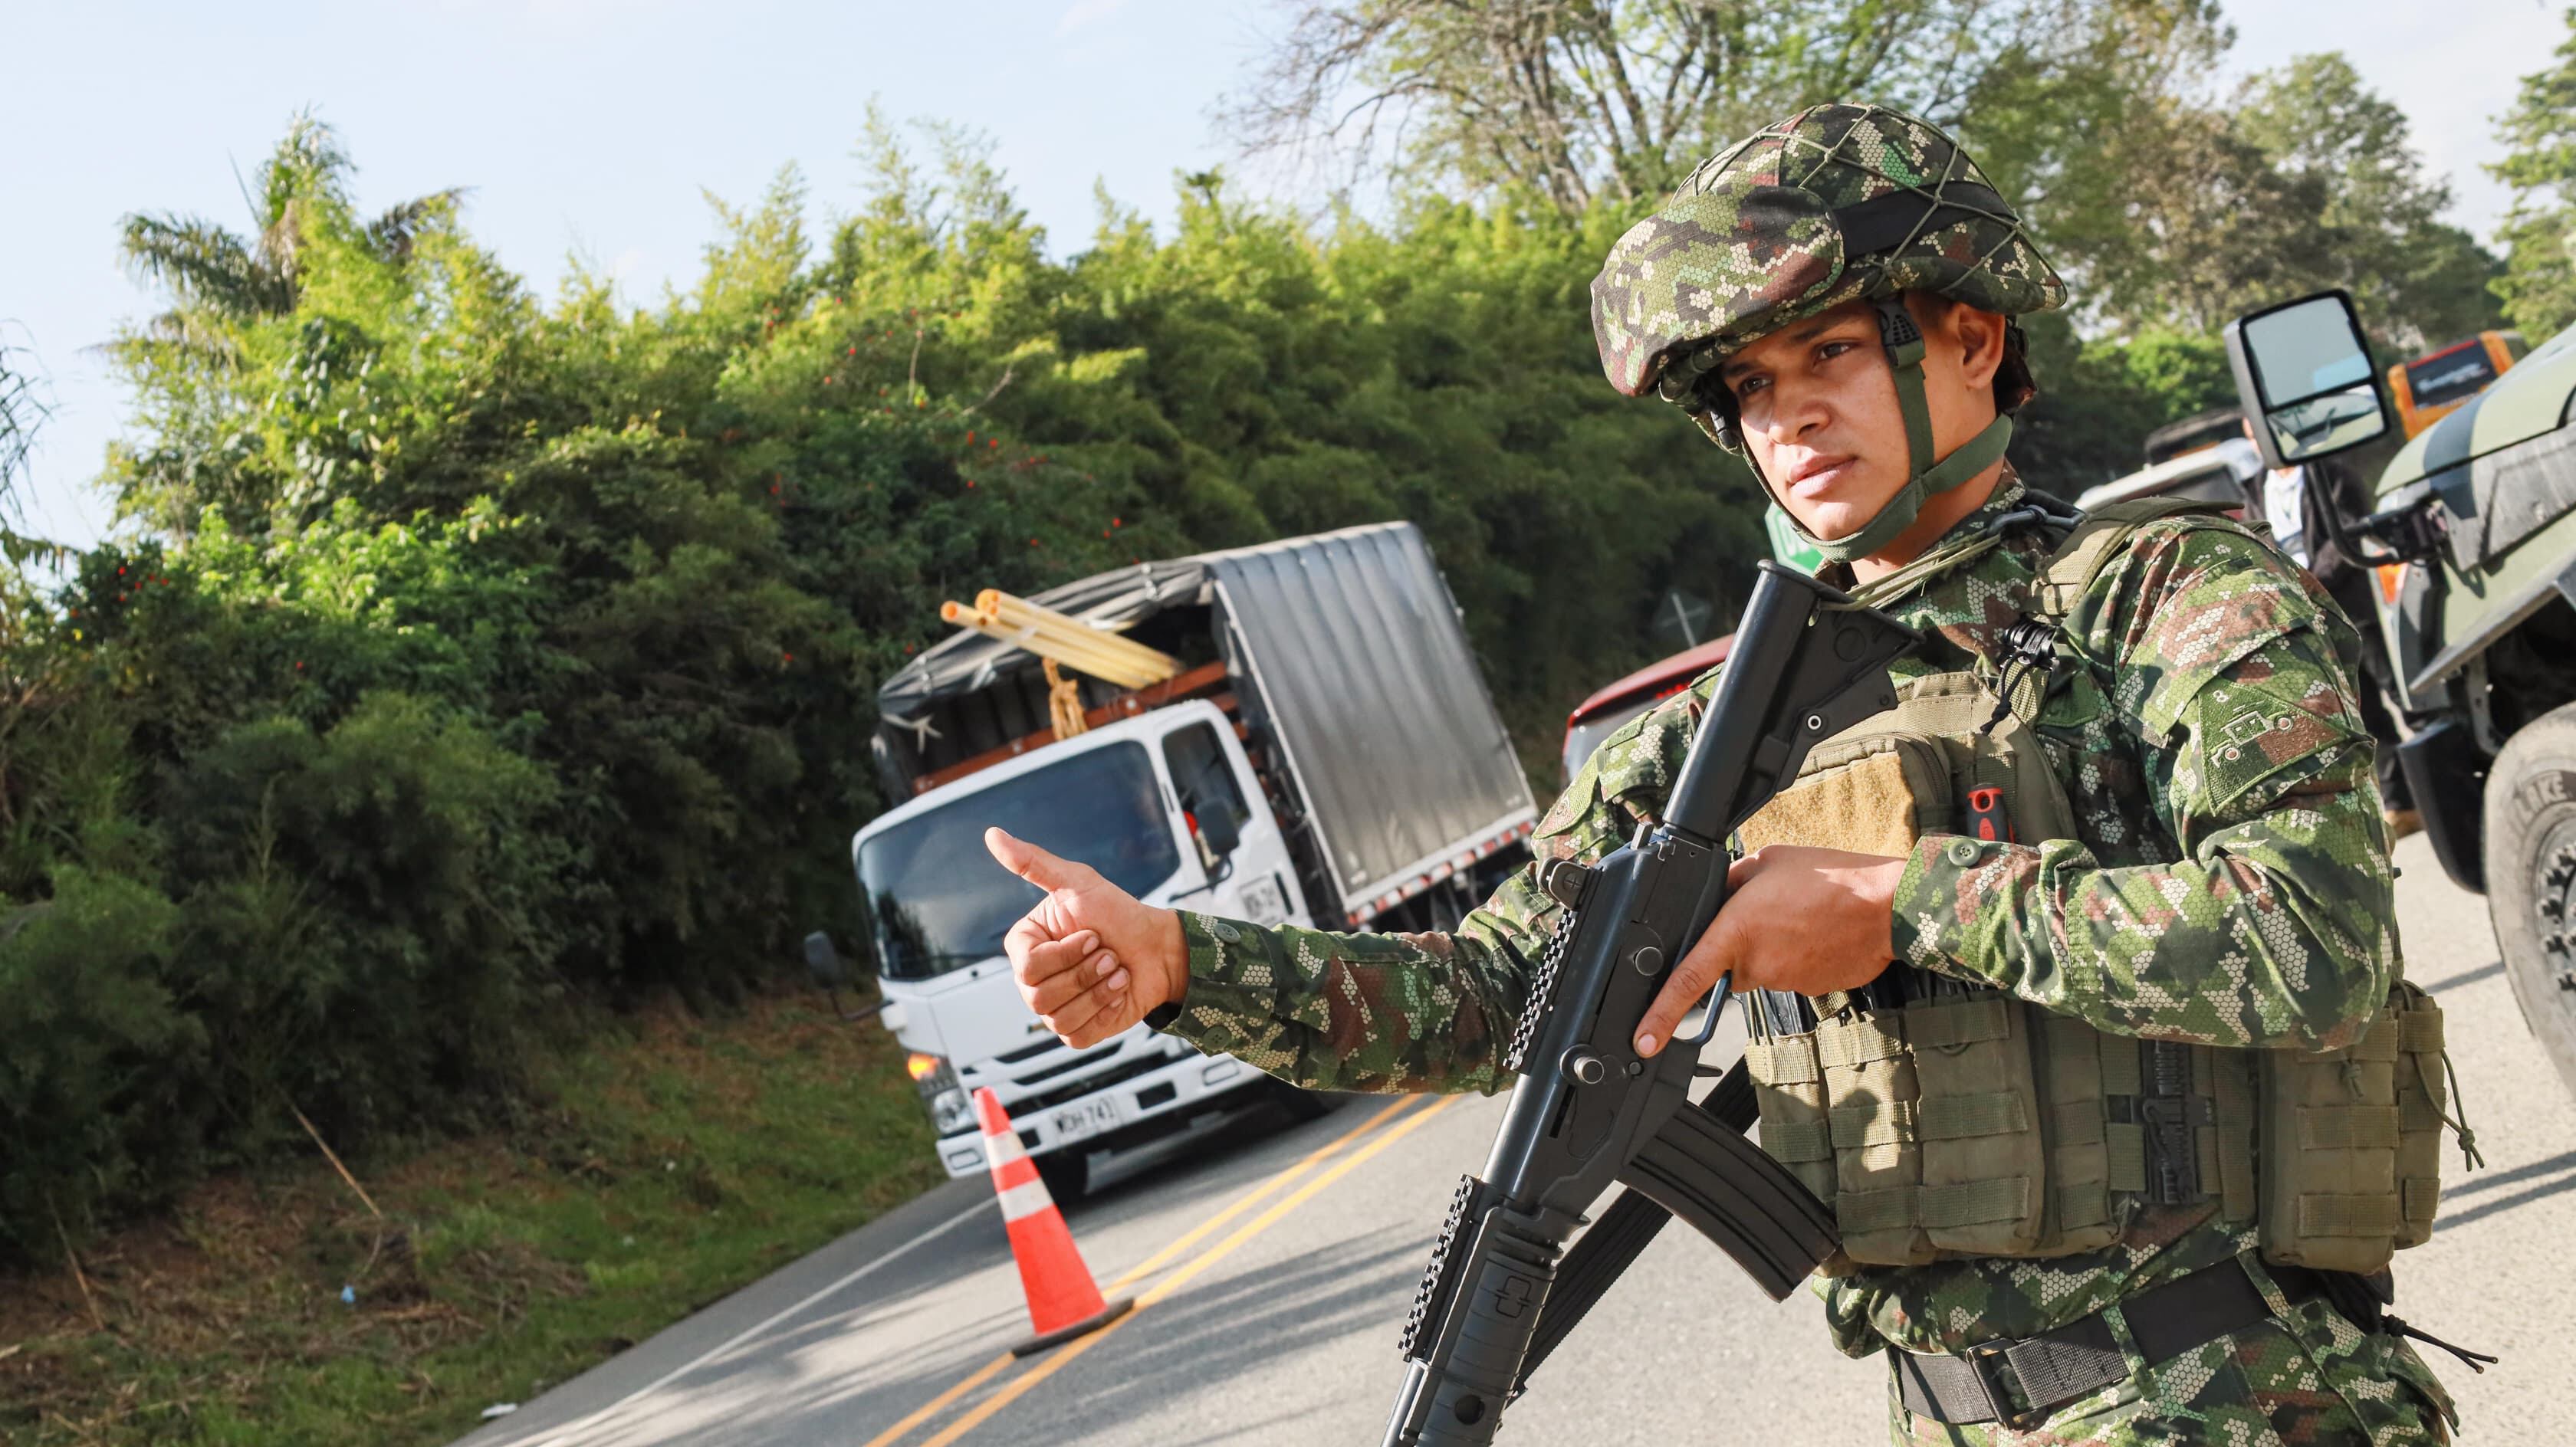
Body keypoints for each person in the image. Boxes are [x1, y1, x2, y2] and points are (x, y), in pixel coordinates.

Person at [985, 104, 2463, 1444]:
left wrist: (1906, 902)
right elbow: (1496, 996)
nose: (1789, 415)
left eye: (1831, 353)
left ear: (1970, 338)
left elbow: (2314, 938)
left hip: (2238, 1394)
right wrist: (1178, 960)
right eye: (1751, 384)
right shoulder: (1718, 732)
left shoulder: (2163, 596)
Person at [2241, 420, 2423, 839]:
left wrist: (2309, 581)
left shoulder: (2328, 472)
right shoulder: (2254, 488)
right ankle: (2403, 803)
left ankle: (2448, 777)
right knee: (2363, 711)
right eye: (2251, 436)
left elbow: (2349, 532)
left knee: (2405, 693)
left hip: (2352, 606)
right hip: (2308, 617)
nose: (2260, 442)